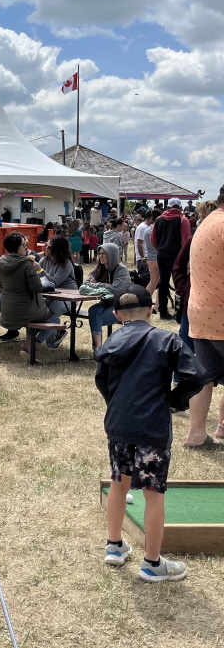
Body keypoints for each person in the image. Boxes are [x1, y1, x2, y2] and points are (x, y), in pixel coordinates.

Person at [96, 285, 203, 581]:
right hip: (152, 428)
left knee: (119, 482)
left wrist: (116, 404)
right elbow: (196, 375)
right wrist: (174, 400)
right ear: (151, 309)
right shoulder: (167, 340)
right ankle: (152, 564)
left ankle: (115, 546)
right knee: (153, 493)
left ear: (116, 315)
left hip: (118, 425)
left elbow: (101, 381)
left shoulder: (112, 342)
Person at [184, 193, 224, 449]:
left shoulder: (207, 222)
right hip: (220, 311)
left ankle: (197, 435)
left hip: (201, 312)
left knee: (205, 377)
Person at [0, 232, 65, 357]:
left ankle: (29, 342)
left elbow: (0, 285)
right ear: (16, 247)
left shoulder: (0, 262)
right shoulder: (27, 264)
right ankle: (32, 345)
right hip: (25, 311)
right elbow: (37, 287)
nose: (27, 247)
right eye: (24, 244)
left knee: (36, 312)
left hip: (6, 312)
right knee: (55, 319)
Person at [150, 198, 191, 320]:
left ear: (168, 208)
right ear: (179, 207)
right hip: (177, 256)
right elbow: (186, 241)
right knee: (180, 283)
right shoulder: (183, 220)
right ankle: (180, 312)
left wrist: (161, 248)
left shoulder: (158, 220)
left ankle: (163, 312)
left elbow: (153, 240)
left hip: (162, 254)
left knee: (163, 283)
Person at [86, 243, 130, 350]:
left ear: (112, 255)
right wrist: (104, 285)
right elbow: (84, 286)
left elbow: (115, 289)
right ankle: (99, 347)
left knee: (96, 318)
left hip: (122, 305)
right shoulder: (100, 269)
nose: (101, 256)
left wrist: (97, 285)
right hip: (106, 303)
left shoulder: (121, 270)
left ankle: (98, 348)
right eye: (100, 253)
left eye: (104, 254)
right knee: (93, 311)